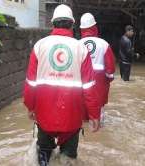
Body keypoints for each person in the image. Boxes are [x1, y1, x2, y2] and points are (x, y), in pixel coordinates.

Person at [23, 5, 101, 166]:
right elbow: (89, 88)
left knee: (43, 155)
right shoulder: (81, 49)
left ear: (53, 24)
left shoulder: (39, 46)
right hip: (72, 119)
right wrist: (94, 115)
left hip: (44, 117)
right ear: (72, 25)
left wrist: (30, 107)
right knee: (69, 159)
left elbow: (31, 84)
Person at [79, 13, 116, 124]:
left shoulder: (76, 44)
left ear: (81, 29)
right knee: (97, 122)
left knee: (81, 121)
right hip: (99, 90)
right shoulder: (104, 44)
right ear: (95, 27)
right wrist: (108, 80)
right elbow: (110, 71)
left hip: (81, 91)